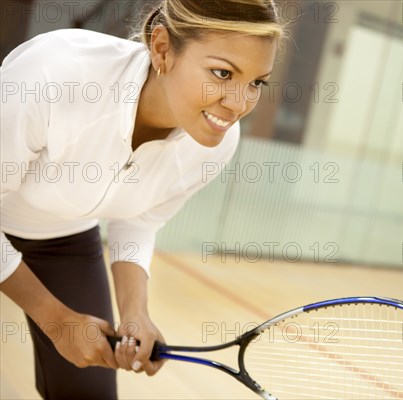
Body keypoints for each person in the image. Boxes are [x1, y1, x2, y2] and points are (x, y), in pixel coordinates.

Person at [0, 0, 284, 398]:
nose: (239, 104)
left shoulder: (216, 144)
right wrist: (56, 319)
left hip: (61, 237)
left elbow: (139, 218)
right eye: (222, 73)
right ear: (163, 48)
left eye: (257, 82)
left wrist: (135, 312)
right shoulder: (55, 71)